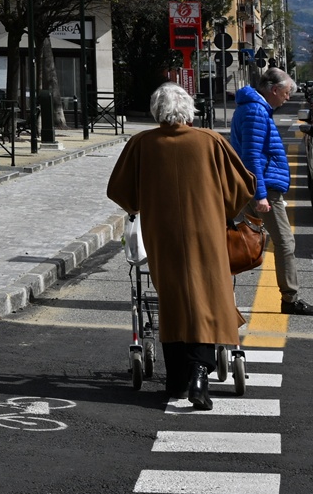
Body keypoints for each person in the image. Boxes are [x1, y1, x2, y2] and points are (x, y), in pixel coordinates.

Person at [108, 82, 254, 409]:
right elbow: (241, 187)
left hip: (163, 235)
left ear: (157, 111)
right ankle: (201, 373)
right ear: (189, 110)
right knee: (207, 298)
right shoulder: (211, 142)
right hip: (207, 235)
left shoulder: (141, 143)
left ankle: (176, 380)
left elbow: (122, 192)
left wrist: (143, 202)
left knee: (172, 301)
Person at [229, 66, 313, 315]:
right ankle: (290, 299)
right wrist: (260, 195)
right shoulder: (256, 111)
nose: (288, 98)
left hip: (257, 185)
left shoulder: (253, 108)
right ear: (275, 89)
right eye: (287, 93)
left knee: (238, 238)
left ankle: (222, 292)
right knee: (285, 243)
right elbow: (252, 156)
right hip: (263, 187)